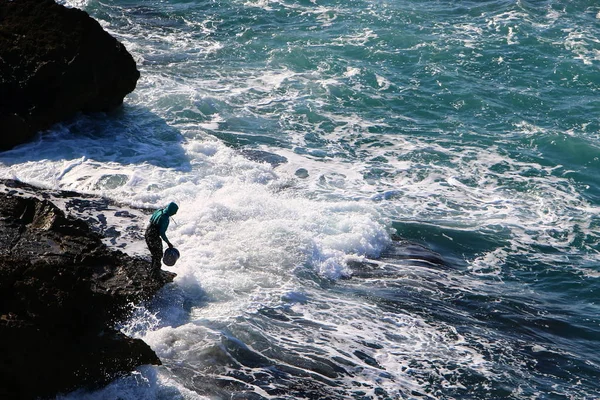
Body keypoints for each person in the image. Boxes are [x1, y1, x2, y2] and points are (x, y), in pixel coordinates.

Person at [145, 202, 178, 275]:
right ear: (171, 210)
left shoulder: (159, 210)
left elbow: (151, 219)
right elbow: (162, 233)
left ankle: (152, 271)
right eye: (174, 211)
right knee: (158, 255)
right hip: (153, 236)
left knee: (155, 254)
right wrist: (168, 243)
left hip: (147, 232)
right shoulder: (165, 218)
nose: (175, 213)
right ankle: (155, 275)